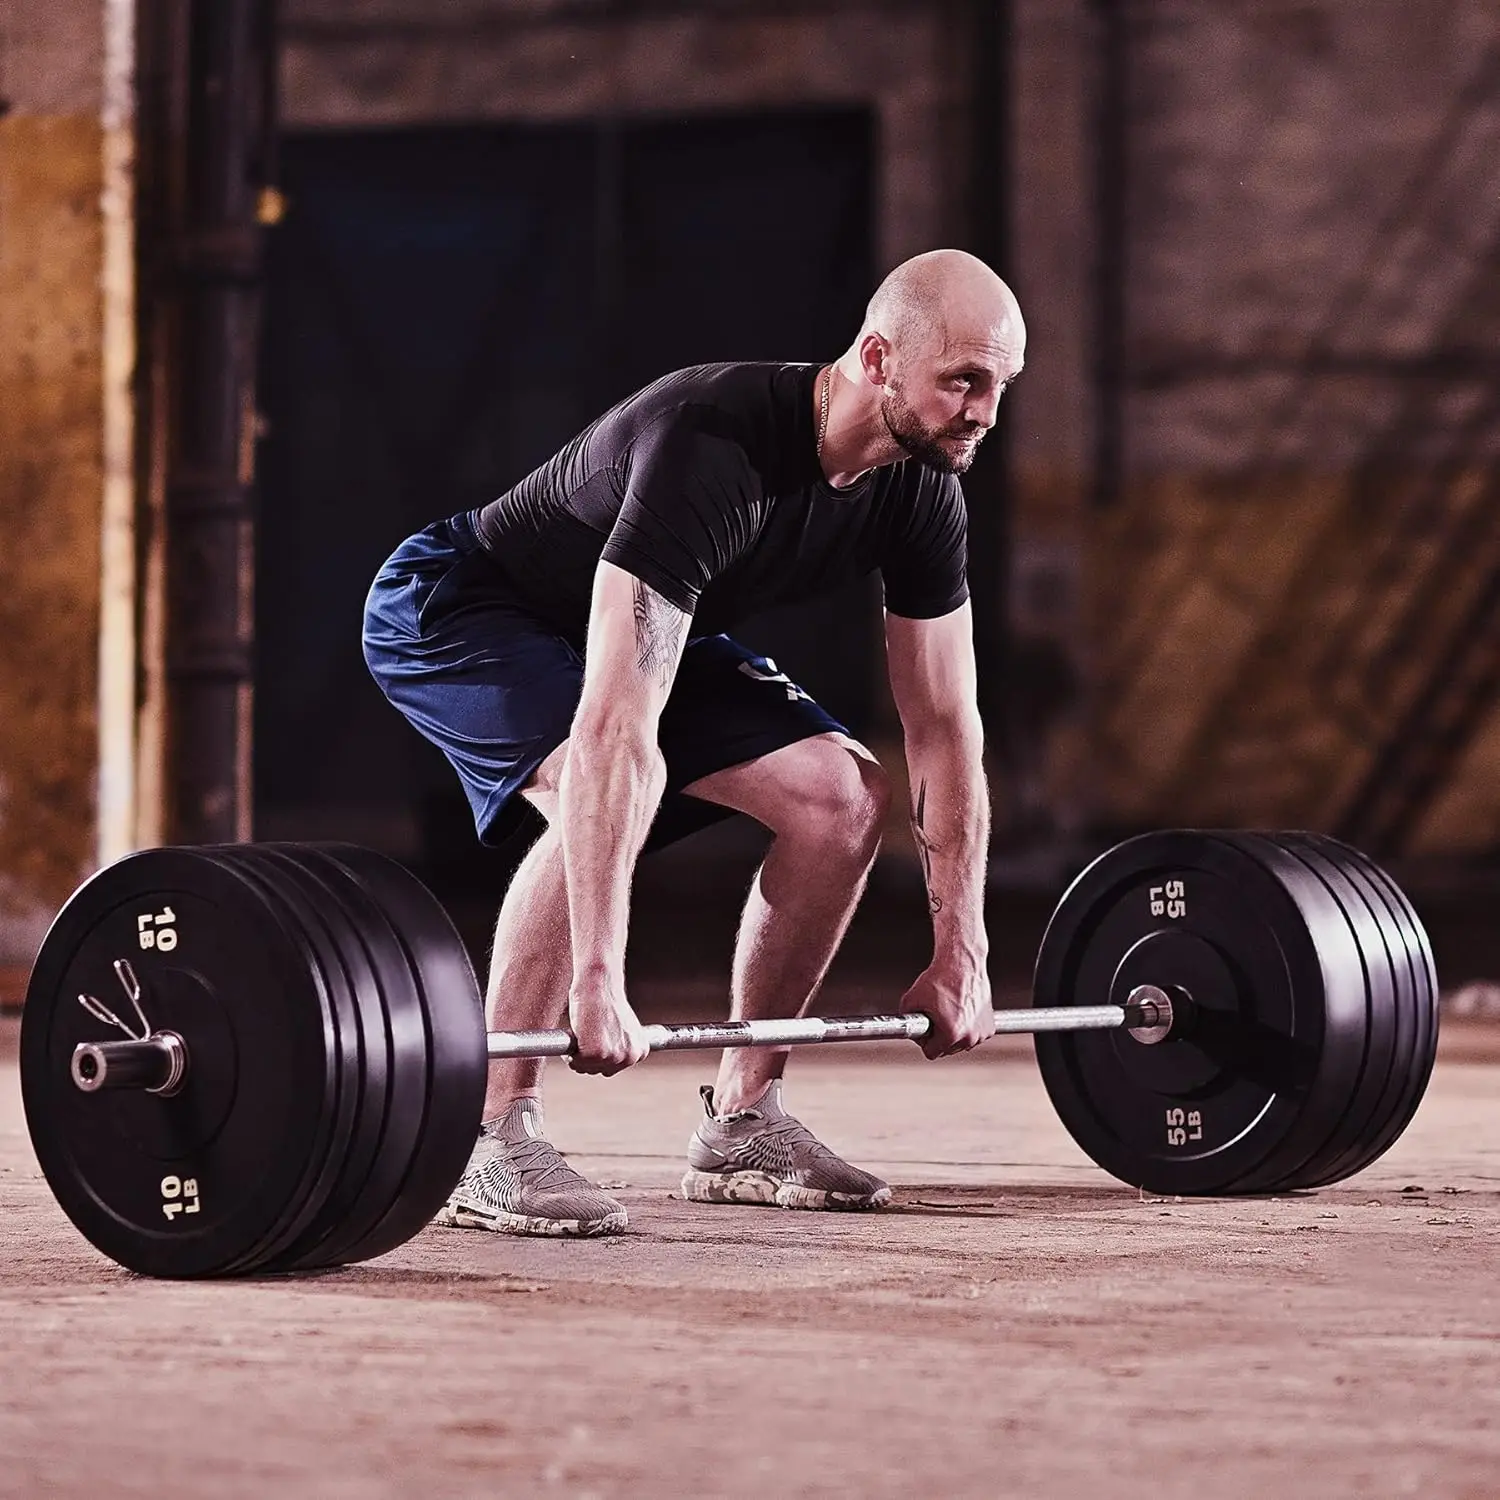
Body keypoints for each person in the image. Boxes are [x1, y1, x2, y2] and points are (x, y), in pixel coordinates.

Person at [363, 248, 1027, 1237]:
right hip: (466, 608)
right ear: (880, 359)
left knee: (842, 797)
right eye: (963, 381)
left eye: (1000, 386)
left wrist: (961, 948)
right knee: (592, 795)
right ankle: (489, 1131)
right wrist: (598, 976)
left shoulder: (920, 488)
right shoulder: (709, 443)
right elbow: (611, 730)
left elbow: (944, 732)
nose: (984, 411)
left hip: (638, 628)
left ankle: (742, 1121)